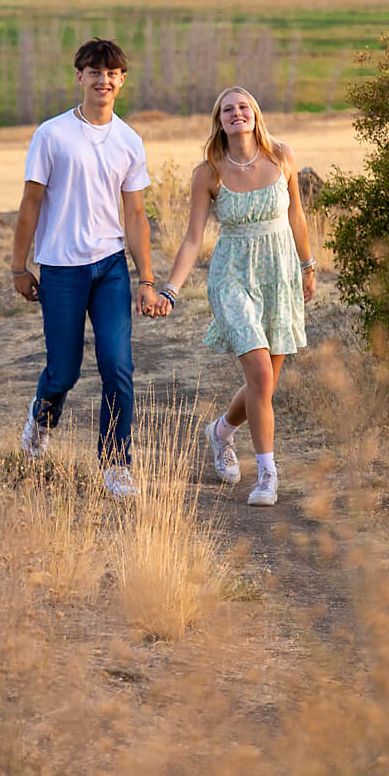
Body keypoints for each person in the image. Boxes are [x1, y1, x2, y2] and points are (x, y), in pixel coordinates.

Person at [12, 38, 163, 499]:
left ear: (122, 80)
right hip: (60, 269)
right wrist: (19, 268)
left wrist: (147, 280)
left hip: (111, 268)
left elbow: (135, 216)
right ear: (79, 76)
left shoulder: (128, 140)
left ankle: (116, 465)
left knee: (118, 366)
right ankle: (40, 421)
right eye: (94, 72)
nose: (103, 80)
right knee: (64, 372)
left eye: (111, 73)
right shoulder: (52, 134)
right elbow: (29, 206)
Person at [154, 86, 314, 506]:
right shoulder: (209, 172)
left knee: (266, 382)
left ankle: (221, 431)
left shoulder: (282, 155)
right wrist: (171, 288)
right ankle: (267, 475)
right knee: (260, 376)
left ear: (256, 114)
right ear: (219, 121)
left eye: (244, 107)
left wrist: (307, 265)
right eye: (228, 109)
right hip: (232, 278)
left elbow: (296, 215)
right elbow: (192, 239)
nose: (237, 113)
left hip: (279, 275)